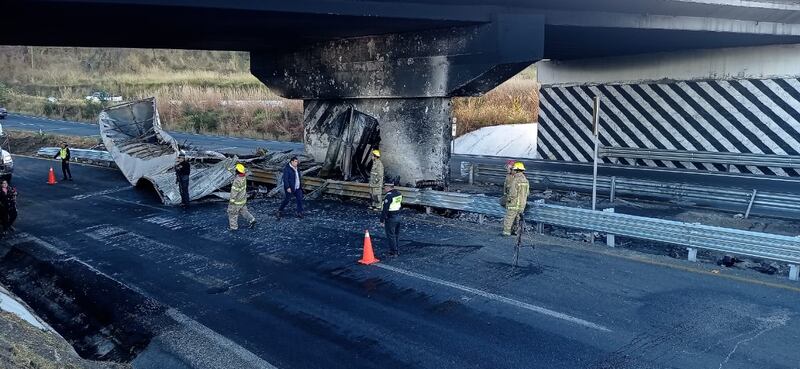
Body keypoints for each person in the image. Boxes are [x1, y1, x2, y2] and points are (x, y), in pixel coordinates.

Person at [502, 162, 530, 236]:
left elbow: (512, 194)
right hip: (522, 205)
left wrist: (508, 200)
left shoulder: (515, 180)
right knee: (517, 219)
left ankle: (506, 233)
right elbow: (527, 193)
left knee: (509, 218)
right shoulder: (526, 181)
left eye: (514, 169)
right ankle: (515, 232)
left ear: (516, 170)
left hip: (513, 204)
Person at [228, 163, 256, 231]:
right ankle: (252, 219)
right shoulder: (243, 176)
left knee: (232, 213)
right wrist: (230, 169)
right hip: (243, 199)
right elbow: (241, 171)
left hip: (236, 201)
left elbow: (234, 193)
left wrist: (231, 202)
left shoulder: (236, 181)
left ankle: (233, 228)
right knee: (244, 211)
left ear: (237, 171)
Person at [380, 182, 403, 257]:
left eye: (385, 187)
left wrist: (382, 220)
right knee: (396, 235)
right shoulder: (399, 193)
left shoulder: (388, 196)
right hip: (398, 216)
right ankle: (397, 250)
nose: (384, 188)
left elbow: (385, 209)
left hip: (391, 217)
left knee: (390, 235)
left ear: (389, 187)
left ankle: (393, 252)